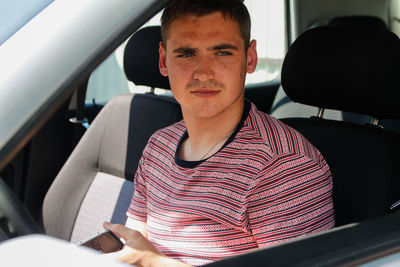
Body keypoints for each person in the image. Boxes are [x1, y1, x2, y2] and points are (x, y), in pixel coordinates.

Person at [104, 0, 335, 266]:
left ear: (249, 58)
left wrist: (153, 262)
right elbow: (135, 240)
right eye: (187, 54)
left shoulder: (285, 166)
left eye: (222, 52)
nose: (203, 73)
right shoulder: (159, 145)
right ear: (164, 60)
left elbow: (144, 256)